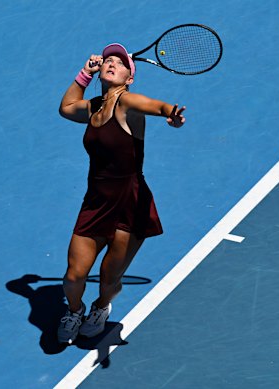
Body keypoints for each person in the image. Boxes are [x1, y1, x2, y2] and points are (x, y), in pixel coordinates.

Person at [57, 43, 186, 344]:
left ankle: (102, 306)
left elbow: (156, 105)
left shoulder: (128, 103)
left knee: (109, 278)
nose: (111, 63)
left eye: (120, 62)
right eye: (108, 60)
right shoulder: (92, 108)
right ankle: (74, 311)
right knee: (74, 276)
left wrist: (171, 115)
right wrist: (83, 75)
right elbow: (65, 108)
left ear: (129, 78)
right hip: (96, 202)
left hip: (131, 204)